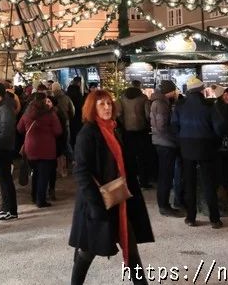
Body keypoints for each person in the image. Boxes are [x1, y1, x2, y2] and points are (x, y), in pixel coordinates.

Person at [69, 89, 154, 284]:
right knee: (87, 252)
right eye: (101, 104)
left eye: (109, 103)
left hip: (120, 200)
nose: (107, 107)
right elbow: (81, 172)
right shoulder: (88, 133)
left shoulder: (114, 128)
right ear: (93, 108)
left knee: (131, 248)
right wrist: (96, 205)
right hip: (99, 201)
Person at [171, 77, 223, 229]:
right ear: (201, 90)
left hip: (186, 148)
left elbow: (174, 127)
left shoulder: (180, 105)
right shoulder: (210, 105)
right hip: (206, 147)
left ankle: (191, 217)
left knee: (189, 183)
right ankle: (215, 219)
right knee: (208, 183)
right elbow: (218, 128)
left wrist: (181, 140)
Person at [18, 94, 63, 208]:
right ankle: (40, 200)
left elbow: (19, 128)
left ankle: (34, 196)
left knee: (36, 173)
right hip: (47, 147)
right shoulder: (50, 114)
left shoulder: (26, 114)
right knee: (44, 175)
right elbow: (58, 131)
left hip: (31, 147)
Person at [150, 80, 183, 217]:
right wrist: (175, 134)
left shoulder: (158, 101)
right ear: (170, 90)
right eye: (174, 90)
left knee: (164, 174)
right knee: (165, 175)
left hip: (161, 142)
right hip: (165, 143)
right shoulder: (162, 104)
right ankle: (164, 206)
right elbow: (162, 126)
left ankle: (164, 205)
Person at [0, 82, 18, 221]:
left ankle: (12, 210)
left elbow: (7, 130)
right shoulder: (1, 106)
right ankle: (5, 207)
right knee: (2, 179)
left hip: (2, 149)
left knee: (6, 179)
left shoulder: (5, 107)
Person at [118, 80, 153, 189]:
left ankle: (131, 182)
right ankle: (144, 182)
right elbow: (148, 115)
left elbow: (119, 114)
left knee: (129, 158)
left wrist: (123, 124)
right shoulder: (143, 98)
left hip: (127, 132)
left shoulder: (122, 98)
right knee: (143, 158)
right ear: (139, 86)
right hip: (141, 131)